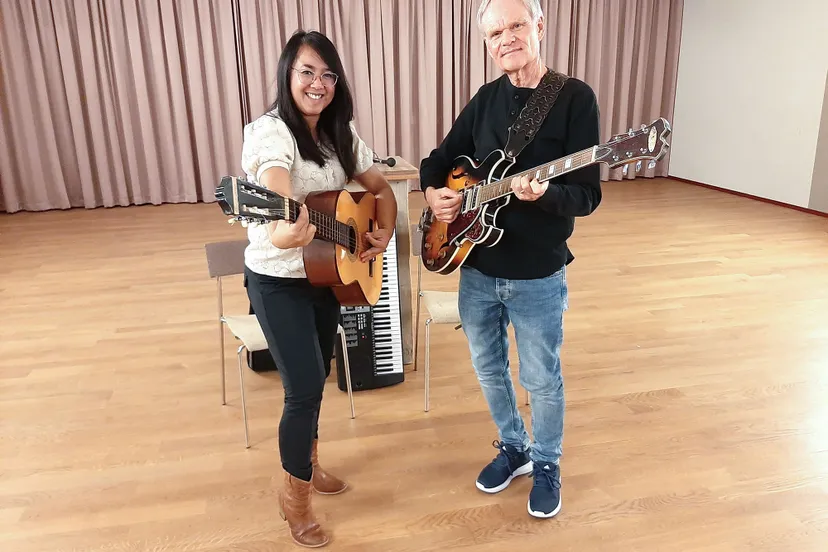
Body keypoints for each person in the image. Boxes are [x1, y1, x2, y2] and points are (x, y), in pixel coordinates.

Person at [419, 0, 601, 519]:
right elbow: (438, 160)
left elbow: (586, 198)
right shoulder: (485, 99)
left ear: (538, 26)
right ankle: (514, 446)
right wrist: (436, 195)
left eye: (516, 25)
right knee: (488, 368)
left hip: (538, 271)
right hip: (475, 265)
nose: (506, 39)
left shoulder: (573, 99)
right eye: (495, 32)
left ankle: (546, 462)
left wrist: (542, 195)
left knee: (541, 376)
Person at [240, 30, 397, 548]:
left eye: (328, 74)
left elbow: (380, 190)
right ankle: (296, 500)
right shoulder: (269, 134)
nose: (318, 83)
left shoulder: (338, 133)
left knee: (321, 374)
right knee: (303, 387)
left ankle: (305, 464)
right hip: (277, 280)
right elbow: (277, 197)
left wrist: (383, 231)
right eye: (307, 71)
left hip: (325, 275)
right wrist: (287, 228)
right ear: (287, 75)